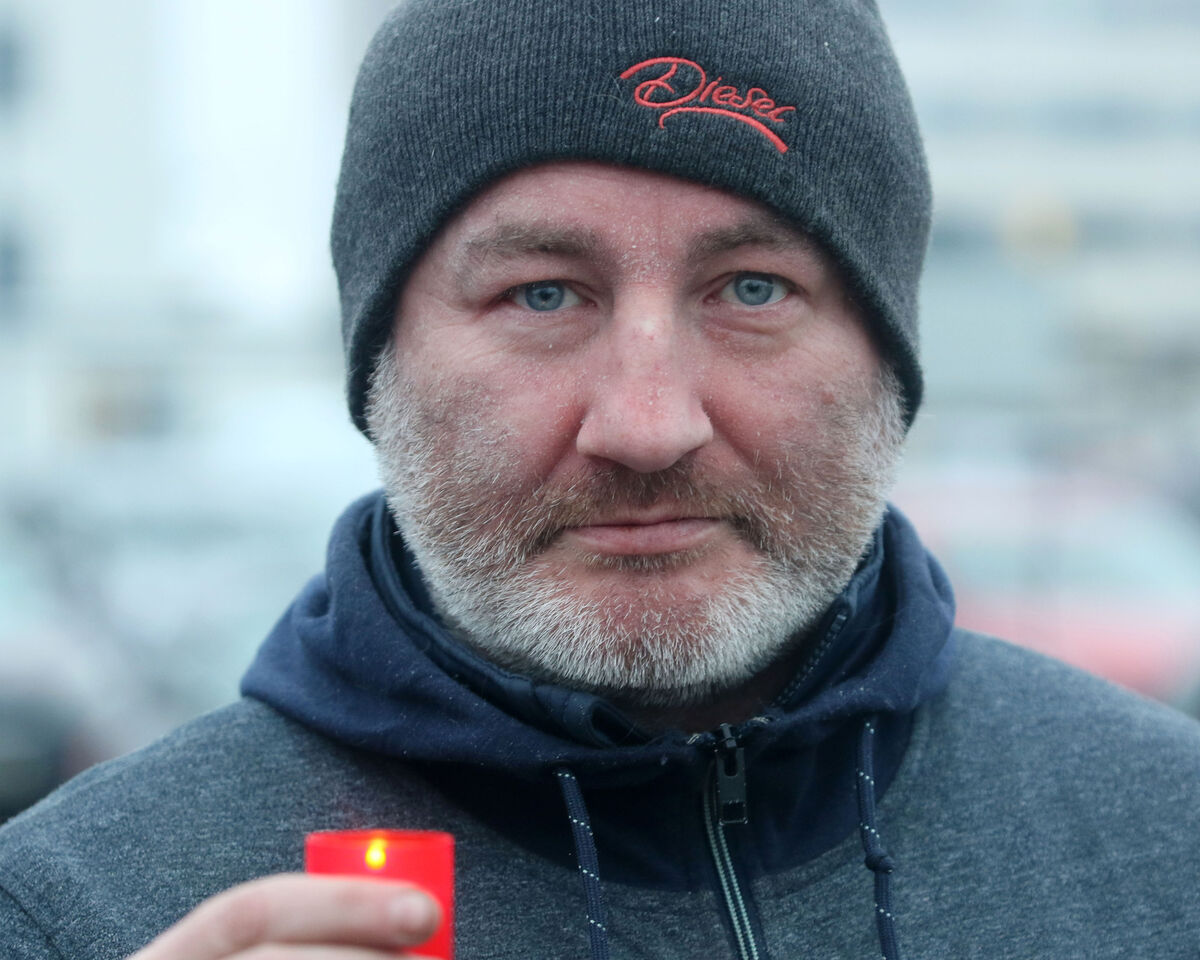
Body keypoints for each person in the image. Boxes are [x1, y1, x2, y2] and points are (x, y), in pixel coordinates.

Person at [3, 0, 1199, 957]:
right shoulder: (79, 912)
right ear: (379, 372)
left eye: (752, 290)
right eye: (542, 294)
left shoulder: (1168, 834)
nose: (646, 424)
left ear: (889, 355)